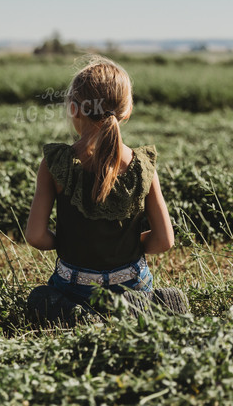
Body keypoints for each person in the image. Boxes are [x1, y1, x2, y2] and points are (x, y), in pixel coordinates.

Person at [24, 55, 187, 324]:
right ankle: (145, 305)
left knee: (39, 299)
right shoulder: (143, 165)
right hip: (132, 282)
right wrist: (132, 243)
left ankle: (82, 315)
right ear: (127, 111)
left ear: (74, 110)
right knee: (140, 293)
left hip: (75, 285)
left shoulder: (55, 163)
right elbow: (164, 241)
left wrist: (64, 242)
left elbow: (36, 236)